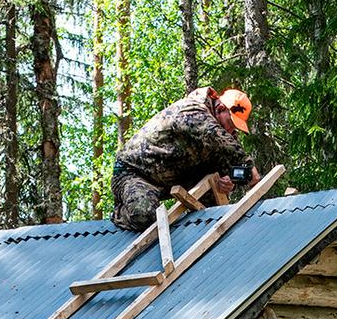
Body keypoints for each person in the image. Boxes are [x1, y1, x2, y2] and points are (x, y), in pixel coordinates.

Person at [110, 86, 258, 232]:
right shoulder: (192, 110)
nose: (231, 131)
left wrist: (229, 182)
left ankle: (201, 241)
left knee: (214, 204)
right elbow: (213, 135)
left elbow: (228, 166)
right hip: (134, 173)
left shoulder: (223, 134)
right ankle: (120, 213)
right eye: (231, 124)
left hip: (173, 177)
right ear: (219, 109)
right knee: (145, 215)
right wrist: (249, 166)